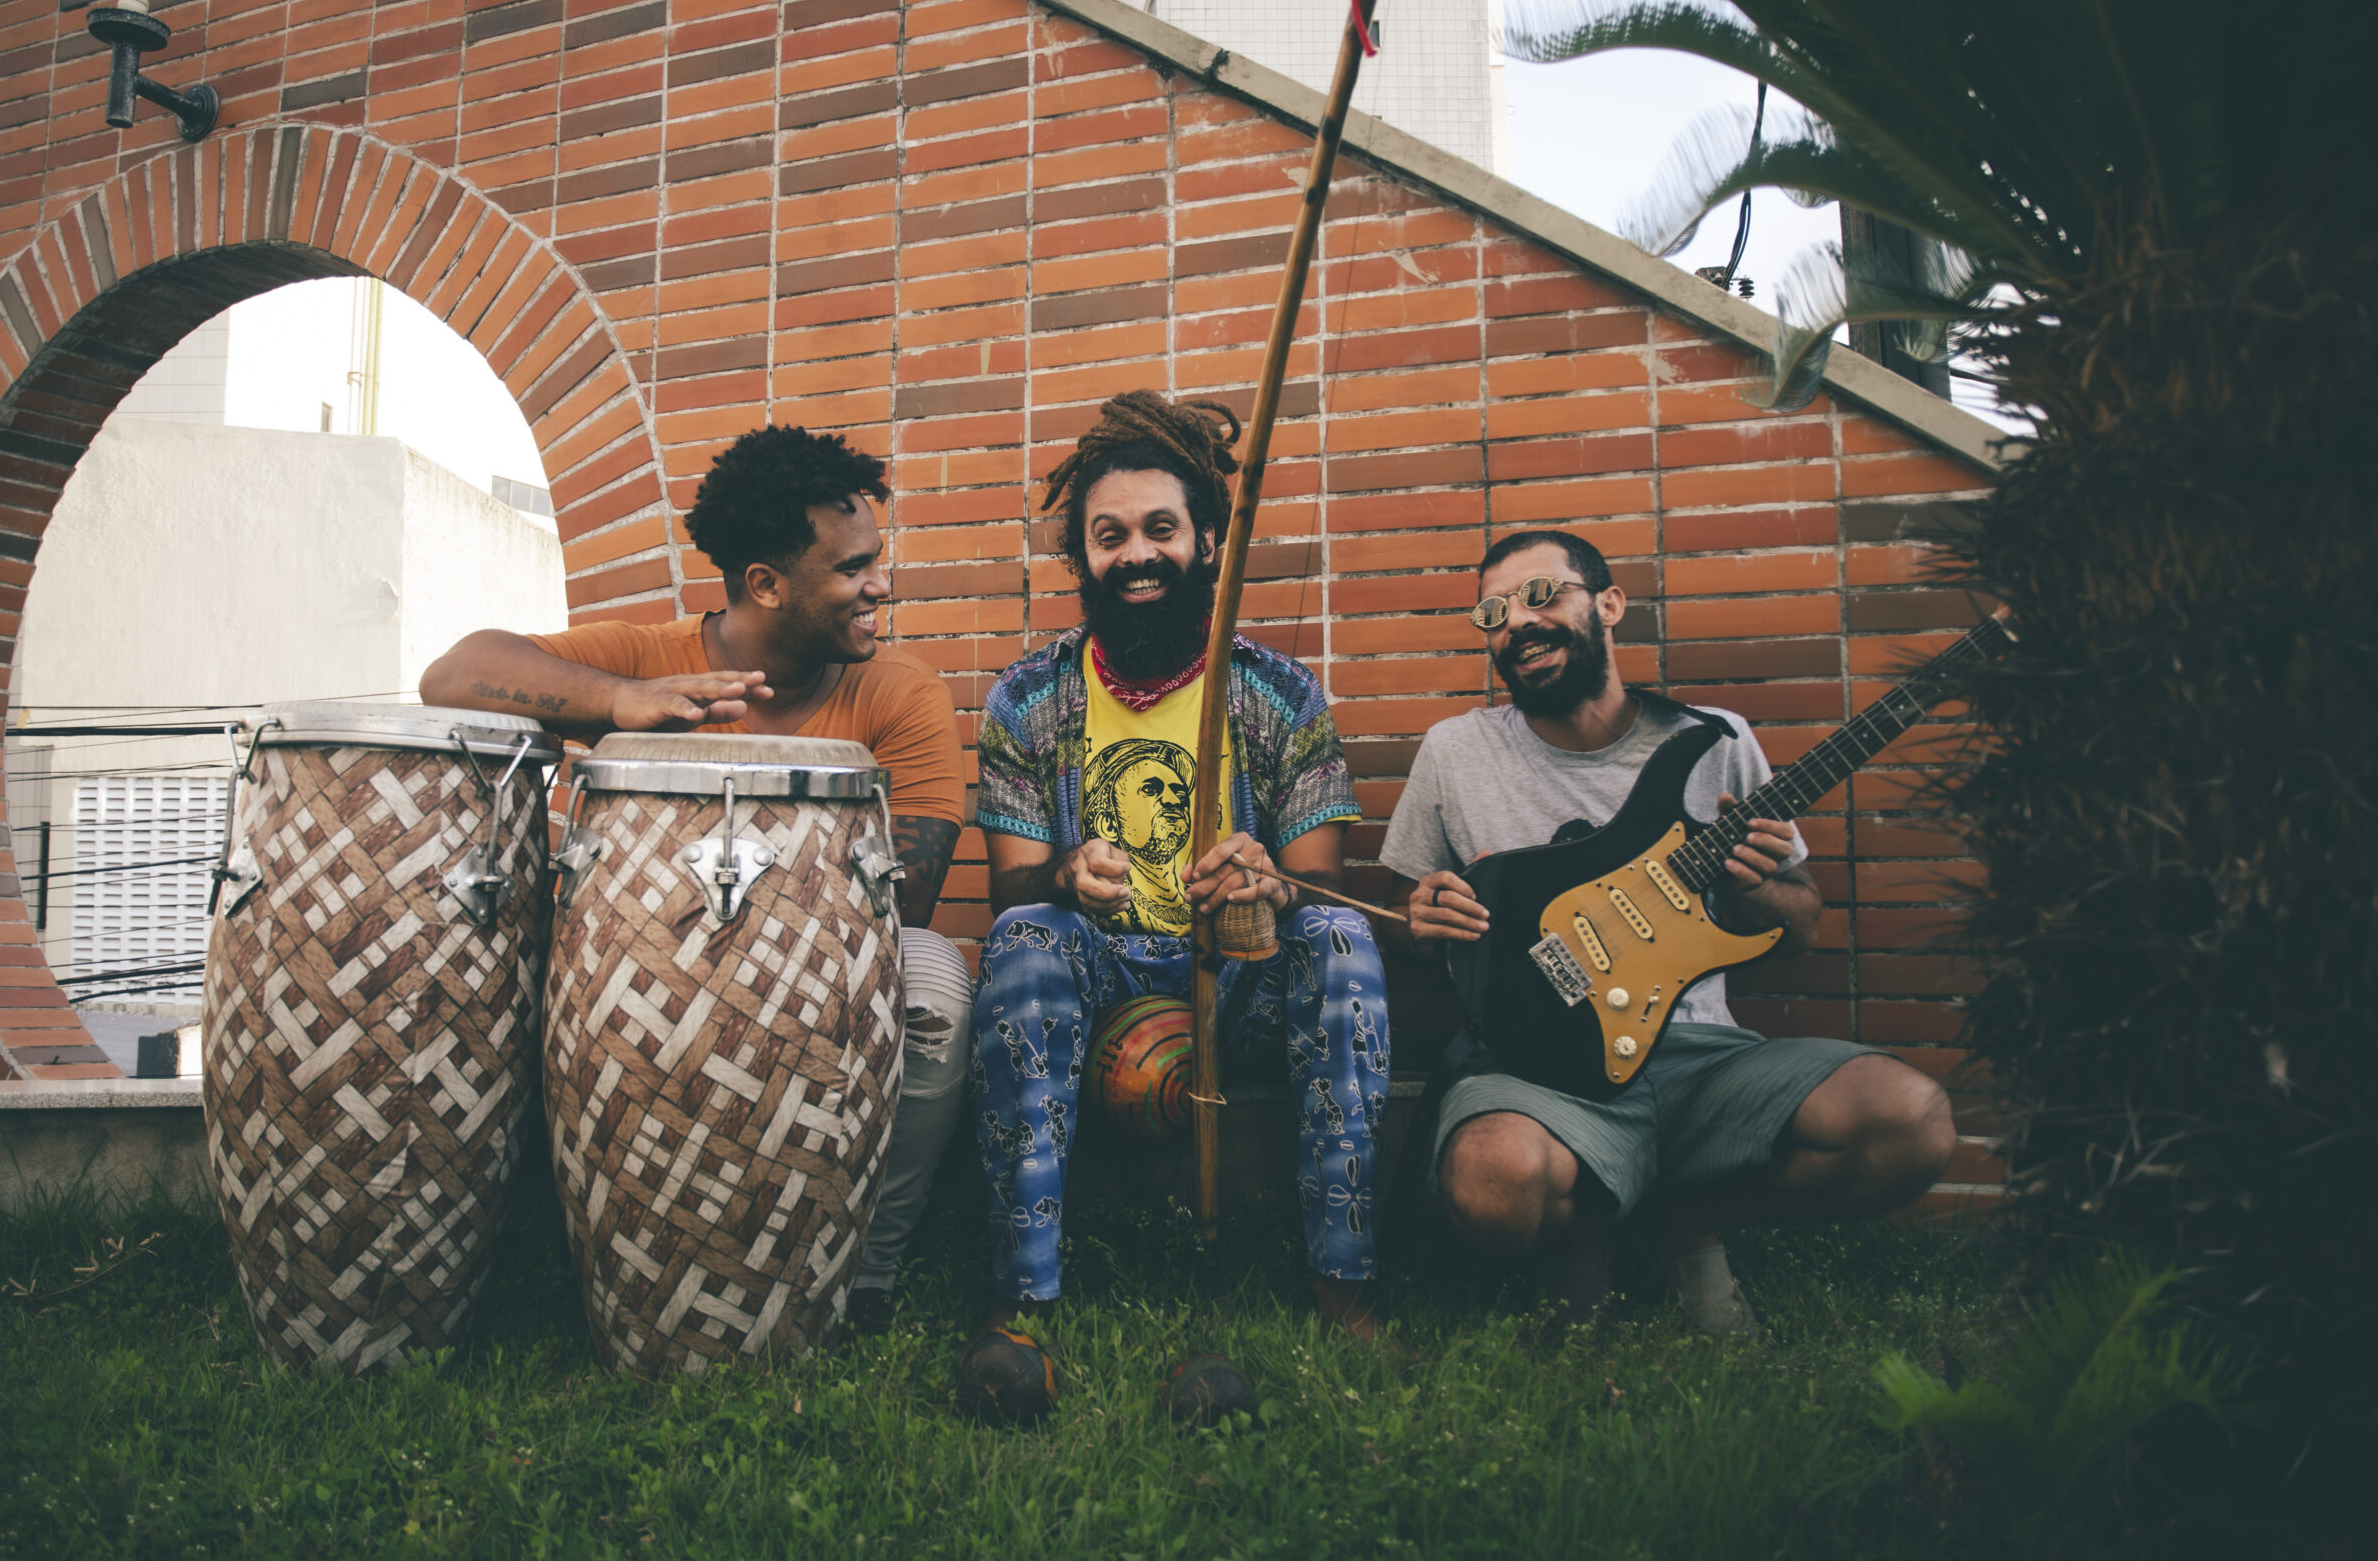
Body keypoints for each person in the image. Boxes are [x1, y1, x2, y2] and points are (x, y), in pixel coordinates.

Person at [418, 426, 971, 1331]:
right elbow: (454, 672)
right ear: (766, 584)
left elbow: (902, 901)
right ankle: (610, 1242)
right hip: (640, 980)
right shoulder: (644, 657)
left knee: (938, 977)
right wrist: (615, 703)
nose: (880, 586)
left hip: (823, 976)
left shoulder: (897, 692)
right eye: (853, 569)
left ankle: (862, 1265)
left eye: (879, 560)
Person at [1381, 529, 1955, 1334]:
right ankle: (1585, 1226)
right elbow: (1405, 919)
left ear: (1608, 603)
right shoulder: (1456, 751)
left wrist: (1755, 890)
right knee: (1492, 1182)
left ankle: (1681, 1220)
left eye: (1541, 595)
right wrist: (1424, 917)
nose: (1516, 623)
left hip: (1698, 1055)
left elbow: (1802, 926)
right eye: (1493, 613)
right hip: (1538, 1067)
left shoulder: (1714, 742)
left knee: (1911, 1122)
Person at [964, 388, 1389, 1404]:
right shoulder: (1027, 699)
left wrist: (1268, 878)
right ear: (1081, 559)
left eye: (1161, 528)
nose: (1136, 553)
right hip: (1105, 993)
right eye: (1108, 536)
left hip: (1238, 983)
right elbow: (1010, 888)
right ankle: (1022, 1308)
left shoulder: (1279, 691)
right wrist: (1066, 875)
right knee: (1025, 936)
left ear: (1206, 543)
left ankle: (1346, 1285)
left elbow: (1323, 878)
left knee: (1335, 938)